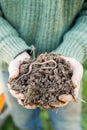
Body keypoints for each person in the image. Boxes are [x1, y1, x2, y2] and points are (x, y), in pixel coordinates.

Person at [0, 0, 86, 130]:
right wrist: (10, 47)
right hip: (13, 67)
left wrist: (75, 48)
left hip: (66, 72)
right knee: (24, 120)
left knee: (68, 123)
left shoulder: (63, 70)